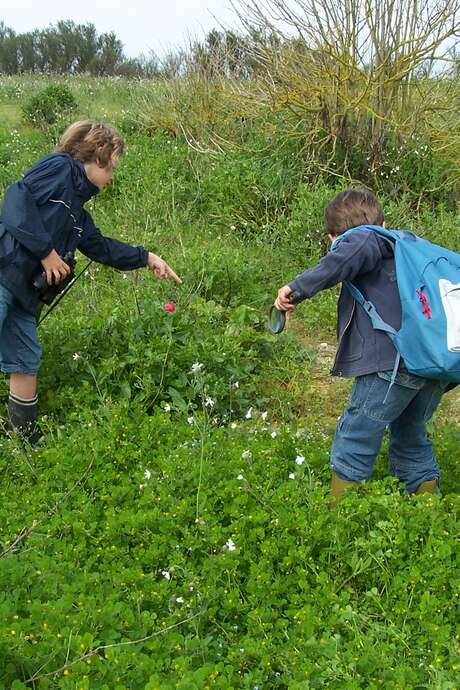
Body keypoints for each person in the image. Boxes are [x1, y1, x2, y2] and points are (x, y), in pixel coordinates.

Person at [0, 120, 181, 442]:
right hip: (3, 274)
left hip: (24, 294)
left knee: (26, 358)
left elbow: (100, 247)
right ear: (99, 152)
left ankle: (23, 439)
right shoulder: (60, 167)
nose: (112, 177)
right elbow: (15, 200)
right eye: (112, 166)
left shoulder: (79, 213)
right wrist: (46, 253)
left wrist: (147, 258)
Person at [274, 188, 447, 504]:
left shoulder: (366, 239)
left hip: (393, 365)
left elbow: (349, 253)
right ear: (385, 220)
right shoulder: (406, 247)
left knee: (355, 435)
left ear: (331, 237)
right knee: (410, 436)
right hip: (431, 363)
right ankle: (430, 513)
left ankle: (342, 519)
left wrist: (295, 289)